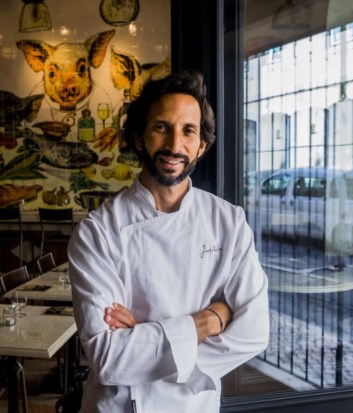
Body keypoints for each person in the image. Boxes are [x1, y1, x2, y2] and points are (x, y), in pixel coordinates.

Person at [67, 70, 269, 412]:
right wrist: (210, 320)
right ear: (138, 138)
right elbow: (109, 359)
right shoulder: (97, 232)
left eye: (188, 130)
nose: (175, 145)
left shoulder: (229, 222)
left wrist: (144, 336)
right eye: (162, 127)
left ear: (201, 146)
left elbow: (254, 332)